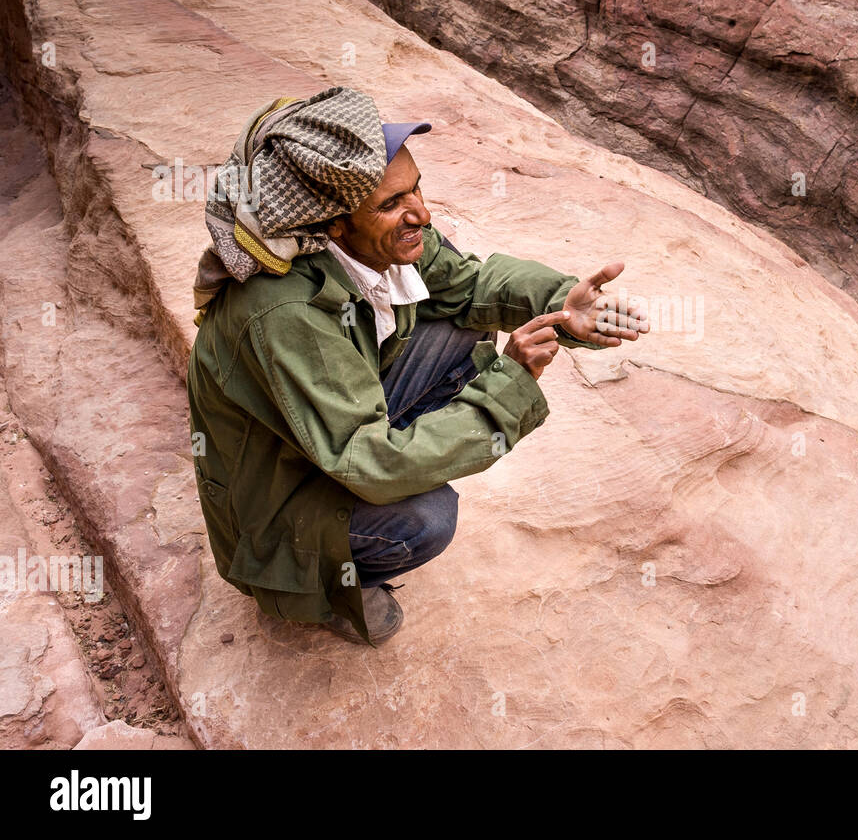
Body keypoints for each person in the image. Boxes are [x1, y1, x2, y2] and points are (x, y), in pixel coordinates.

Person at [187, 86, 650, 645]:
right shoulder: (285, 311)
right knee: (425, 518)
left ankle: (392, 474)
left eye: (416, 189)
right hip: (279, 499)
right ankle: (314, 588)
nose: (423, 215)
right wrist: (512, 385)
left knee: (465, 323)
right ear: (331, 224)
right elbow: (366, 459)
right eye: (392, 204)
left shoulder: (374, 237)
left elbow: (471, 286)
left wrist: (563, 305)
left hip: (318, 432)